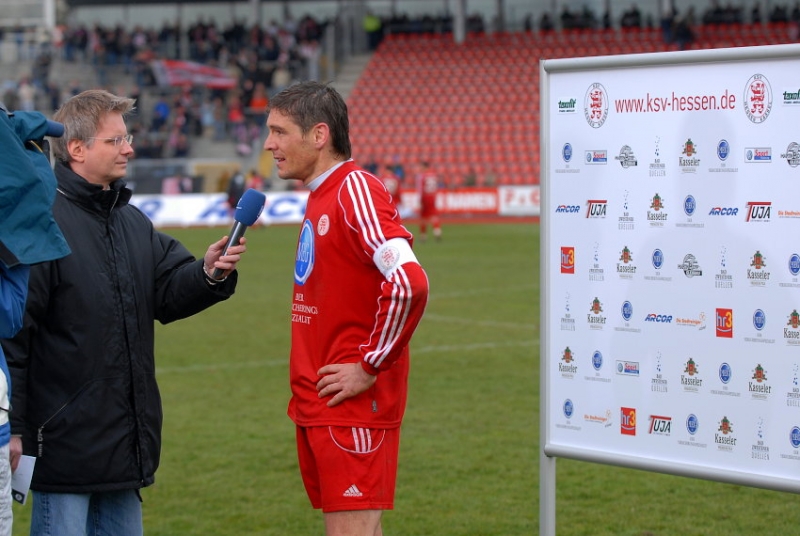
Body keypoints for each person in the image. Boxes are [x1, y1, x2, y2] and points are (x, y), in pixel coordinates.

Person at [1, 89, 248, 536]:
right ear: (77, 149)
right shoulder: (44, 223)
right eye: (115, 140)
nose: (129, 149)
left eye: (126, 137)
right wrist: (15, 428)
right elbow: (14, 336)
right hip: (62, 447)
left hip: (124, 446)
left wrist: (208, 273)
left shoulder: (131, 220)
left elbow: (168, 290)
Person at [263, 81, 429, 536]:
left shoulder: (355, 190)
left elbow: (409, 281)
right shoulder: (322, 193)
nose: (269, 144)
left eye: (279, 131)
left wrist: (369, 364)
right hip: (322, 404)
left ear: (319, 135)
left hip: (350, 408)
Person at [415, 160, 442, 242]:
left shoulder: (422, 176)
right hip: (432, 196)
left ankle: (423, 236)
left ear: (424, 166)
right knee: (434, 214)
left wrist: (419, 200)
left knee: (423, 216)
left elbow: (420, 189)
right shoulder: (433, 175)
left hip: (425, 197)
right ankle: (437, 231)